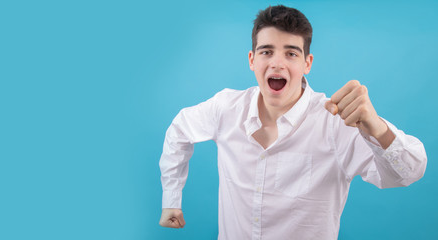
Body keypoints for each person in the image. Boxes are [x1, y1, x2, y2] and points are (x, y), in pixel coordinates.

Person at [157, 5, 427, 240]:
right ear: (252, 60)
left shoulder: (335, 122)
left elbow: (409, 172)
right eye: (266, 52)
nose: (277, 63)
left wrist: (376, 128)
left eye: (291, 53)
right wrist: (171, 199)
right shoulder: (226, 108)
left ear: (307, 63)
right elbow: (180, 129)